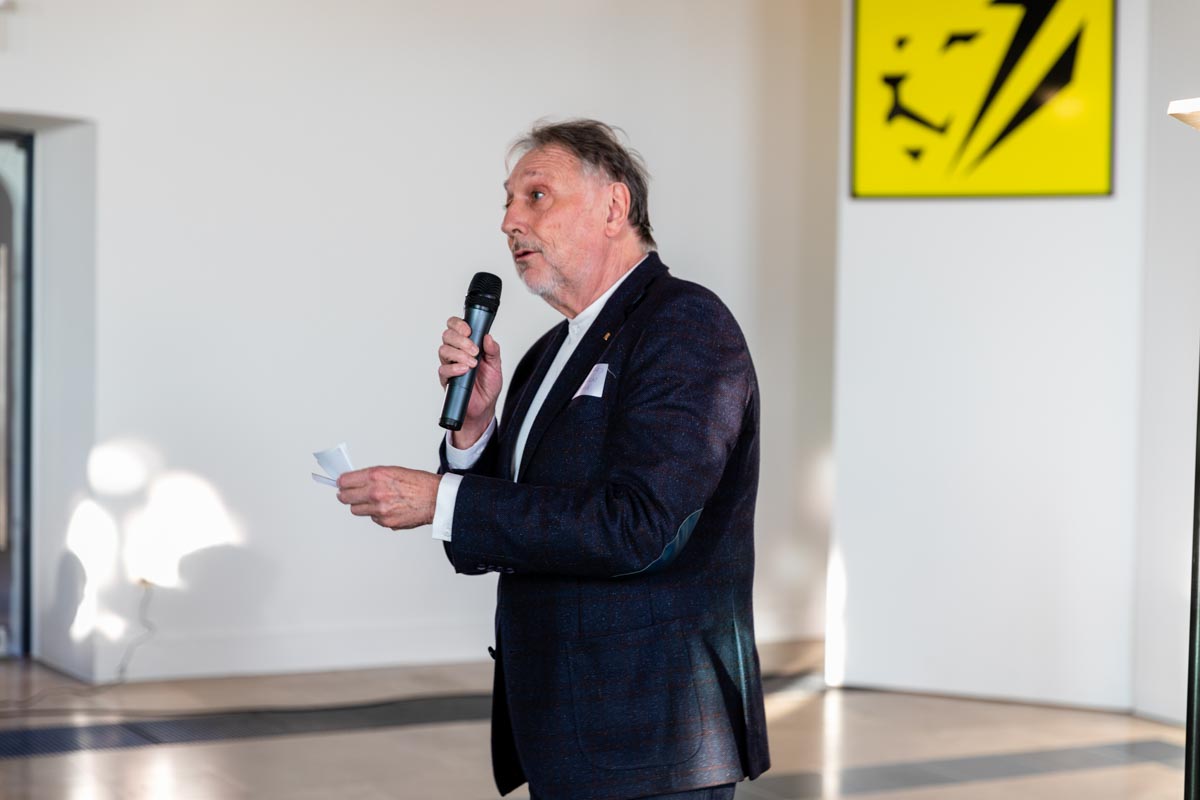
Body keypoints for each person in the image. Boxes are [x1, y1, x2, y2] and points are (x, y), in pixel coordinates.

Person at [336, 119, 769, 800]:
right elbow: (489, 543)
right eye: (507, 202)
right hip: (564, 727)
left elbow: (637, 527)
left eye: (536, 196)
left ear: (614, 207)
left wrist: (440, 498)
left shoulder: (685, 323)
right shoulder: (545, 354)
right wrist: (474, 431)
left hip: (650, 733)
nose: (510, 221)